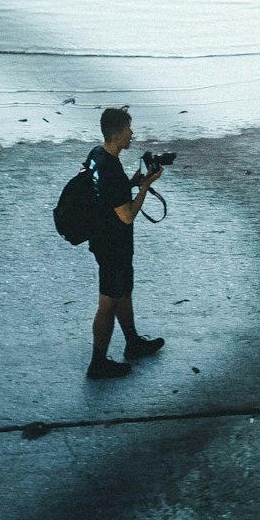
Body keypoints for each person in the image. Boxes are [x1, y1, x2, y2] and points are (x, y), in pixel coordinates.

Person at [84, 105, 167, 380]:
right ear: (117, 134)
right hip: (113, 246)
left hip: (102, 238)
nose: (132, 133)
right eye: (128, 129)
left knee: (123, 293)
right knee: (107, 304)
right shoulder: (111, 169)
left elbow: (107, 195)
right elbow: (128, 216)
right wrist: (144, 186)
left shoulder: (97, 155)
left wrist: (131, 183)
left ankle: (132, 342)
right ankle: (98, 363)